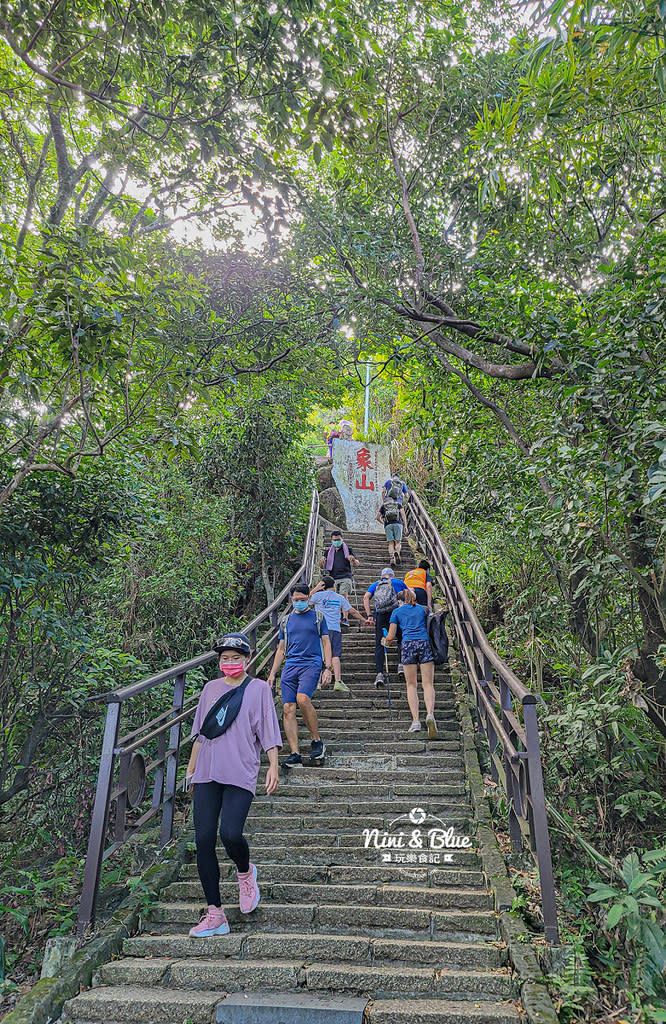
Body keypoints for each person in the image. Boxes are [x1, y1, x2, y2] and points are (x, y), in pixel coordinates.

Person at [185, 632, 281, 938]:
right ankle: (215, 913)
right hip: (207, 773)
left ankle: (245, 872)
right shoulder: (210, 688)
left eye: (235, 658)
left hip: (240, 772)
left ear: (247, 659)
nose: (229, 663)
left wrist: (274, 765)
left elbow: (268, 728)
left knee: (230, 833)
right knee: (203, 840)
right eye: (224, 658)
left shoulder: (258, 690)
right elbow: (202, 733)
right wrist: (190, 770)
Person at [267, 584, 332, 769]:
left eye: (302, 600)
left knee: (302, 699)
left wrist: (327, 668)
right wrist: (272, 674)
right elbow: (280, 649)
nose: (299, 602)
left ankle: (316, 741)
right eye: (296, 600)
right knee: (288, 707)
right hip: (291, 665)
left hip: (311, 663)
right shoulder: (286, 621)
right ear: (291, 600)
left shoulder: (317, 618)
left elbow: (326, 643)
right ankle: (295, 754)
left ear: (308, 599)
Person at [383, 591, 439, 738]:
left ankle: (415, 721)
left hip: (407, 645)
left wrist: (385, 641)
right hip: (424, 643)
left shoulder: (396, 612)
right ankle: (430, 714)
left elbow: (391, 635)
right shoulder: (422, 609)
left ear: (400, 600)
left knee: (411, 685)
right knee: (428, 684)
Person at [309, 576, 369, 693]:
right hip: (335, 629)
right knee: (335, 655)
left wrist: (314, 589)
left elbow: (304, 600)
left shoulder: (317, 596)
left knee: (320, 654)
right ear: (334, 586)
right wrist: (363, 620)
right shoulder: (339, 597)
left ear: (323, 586)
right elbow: (352, 611)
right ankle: (338, 681)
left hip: (320, 629)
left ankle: (317, 682)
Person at [363, 567, 409, 687]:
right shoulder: (399, 582)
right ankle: (401, 665)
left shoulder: (376, 584)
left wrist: (369, 615)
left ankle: (379, 673)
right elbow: (411, 595)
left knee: (379, 643)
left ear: (382, 576)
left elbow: (366, 597)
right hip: (397, 613)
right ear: (392, 575)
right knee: (401, 639)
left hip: (381, 614)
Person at [319, 531, 360, 628]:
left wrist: (353, 560)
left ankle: (345, 617)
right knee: (334, 598)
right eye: (334, 540)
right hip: (333, 578)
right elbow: (322, 566)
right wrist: (321, 561)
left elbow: (357, 563)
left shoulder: (348, 550)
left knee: (342, 596)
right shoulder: (328, 552)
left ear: (342, 539)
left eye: (338, 540)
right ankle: (337, 618)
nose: (336, 542)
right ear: (331, 540)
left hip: (345, 577)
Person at [377, 488, 408, 566]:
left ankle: (392, 558)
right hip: (398, 524)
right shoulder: (398, 504)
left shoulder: (383, 506)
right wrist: (405, 526)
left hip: (388, 525)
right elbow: (403, 515)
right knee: (398, 541)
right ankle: (397, 551)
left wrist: (383, 522)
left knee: (391, 543)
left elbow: (377, 517)